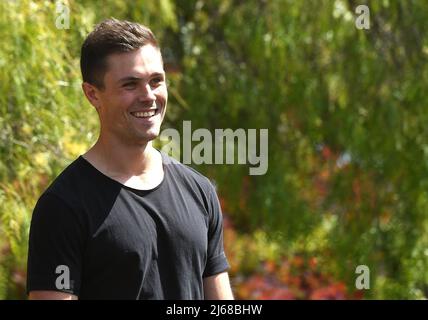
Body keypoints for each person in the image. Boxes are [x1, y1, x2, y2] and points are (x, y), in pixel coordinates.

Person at [26, 18, 233, 300]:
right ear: (92, 94)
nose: (148, 96)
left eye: (156, 81)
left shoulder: (200, 192)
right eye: (130, 84)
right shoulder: (63, 207)